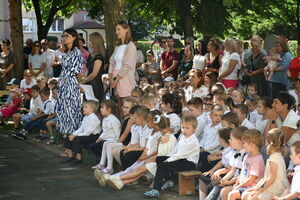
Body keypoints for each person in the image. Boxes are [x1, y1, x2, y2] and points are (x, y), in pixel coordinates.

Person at [100, 113, 177, 190]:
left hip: (158, 162)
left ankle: (115, 178)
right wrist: (147, 158)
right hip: (157, 160)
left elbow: (161, 154)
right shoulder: (167, 136)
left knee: (137, 172)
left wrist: (148, 158)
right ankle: (120, 182)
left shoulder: (165, 138)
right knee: (138, 172)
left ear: (157, 126)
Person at [144, 116, 200, 198]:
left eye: (187, 128)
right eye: (183, 127)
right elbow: (176, 149)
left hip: (188, 163)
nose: (184, 130)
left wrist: (168, 160)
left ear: (194, 129)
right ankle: (171, 180)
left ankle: (156, 189)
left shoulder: (192, 141)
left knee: (163, 165)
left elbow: (180, 154)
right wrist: (167, 157)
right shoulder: (183, 136)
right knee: (159, 159)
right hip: (180, 159)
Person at [241, 128, 290, 200]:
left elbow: (271, 179)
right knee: (246, 194)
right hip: (271, 186)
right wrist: (256, 188)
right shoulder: (276, 155)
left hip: (276, 189)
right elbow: (266, 177)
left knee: (251, 198)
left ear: (267, 142)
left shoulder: (274, 159)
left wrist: (259, 191)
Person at [92, 98, 137, 172]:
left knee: (109, 144)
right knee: (106, 143)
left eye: (127, 107)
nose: (124, 109)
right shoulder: (126, 118)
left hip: (126, 142)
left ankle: (110, 167)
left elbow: (125, 134)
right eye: (123, 107)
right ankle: (102, 164)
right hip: (123, 141)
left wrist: (118, 141)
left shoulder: (130, 120)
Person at [55, 29, 83, 136]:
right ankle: (67, 139)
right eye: (63, 36)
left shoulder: (76, 52)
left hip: (70, 85)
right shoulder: (68, 52)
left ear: (74, 37)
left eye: (66, 36)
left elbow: (78, 73)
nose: (64, 38)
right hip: (63, 85)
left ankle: (71, 141)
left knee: (71, 111)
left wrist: (78, 85)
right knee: (64, 111)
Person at [223, 129, 265, 200]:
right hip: (242, 185)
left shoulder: (258, 159)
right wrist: (236, 184)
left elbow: (252, 179)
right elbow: (242, 173)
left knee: (232, 195)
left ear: (252, 145)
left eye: (244, 143)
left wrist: (239, 186)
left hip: (250, 187)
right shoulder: (246, 156)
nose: (243, 145)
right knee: (224, 191)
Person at [63, 100, 101, 166]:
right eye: (83, 106)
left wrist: (75, 136)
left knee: (77, 139)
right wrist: (73, 134)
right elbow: (81, 129)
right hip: (86, 134)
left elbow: (89, 131)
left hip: (93, 136)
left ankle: (78, 158)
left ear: (92, 109)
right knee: (69, 135)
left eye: (86, 107)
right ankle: (70, 155)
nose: (83, 108)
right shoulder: (86, 117)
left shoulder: (94, 118)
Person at [108, 21, 137, 103]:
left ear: (126, 30)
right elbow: (112, 62)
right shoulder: (118, 46)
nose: (116, 32)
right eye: (116, 30)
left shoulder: (131, 46)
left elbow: (127, 66)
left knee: (126, 104)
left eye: (118, 29)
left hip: (125, 78)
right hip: (115, 79)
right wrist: (111, 78)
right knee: (118, 106)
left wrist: (115, 80)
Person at [198, 104, 224, 172]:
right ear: (210, 116)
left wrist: (204, 149)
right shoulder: (207, 127)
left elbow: (217, 144)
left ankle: (201, 175)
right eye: (215, 115)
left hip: (213, 151)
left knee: (200, 155)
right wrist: (200, 147)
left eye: (220, 116)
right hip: (204, 149)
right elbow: (203, 139)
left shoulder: (221, 129)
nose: (218, 118)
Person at [81, 32, 106, 102]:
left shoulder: (98, 57)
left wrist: (83, 81)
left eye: (89, 40)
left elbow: (94, 74)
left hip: (95, 86)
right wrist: (84, 81)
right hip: (89, 84)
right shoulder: (91, 55)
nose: (88, 42)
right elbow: (87, 70)